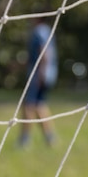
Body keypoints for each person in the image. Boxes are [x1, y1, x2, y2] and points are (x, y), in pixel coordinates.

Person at [18, 13, 58, 147]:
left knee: (28, 106)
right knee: (39, 105)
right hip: (49, 73)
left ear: (38, 18)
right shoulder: (48, 30)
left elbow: (44, 52)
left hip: (39, 74)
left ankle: (24, 141)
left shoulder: (39, 31)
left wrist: (41, 73)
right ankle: (50, 138)